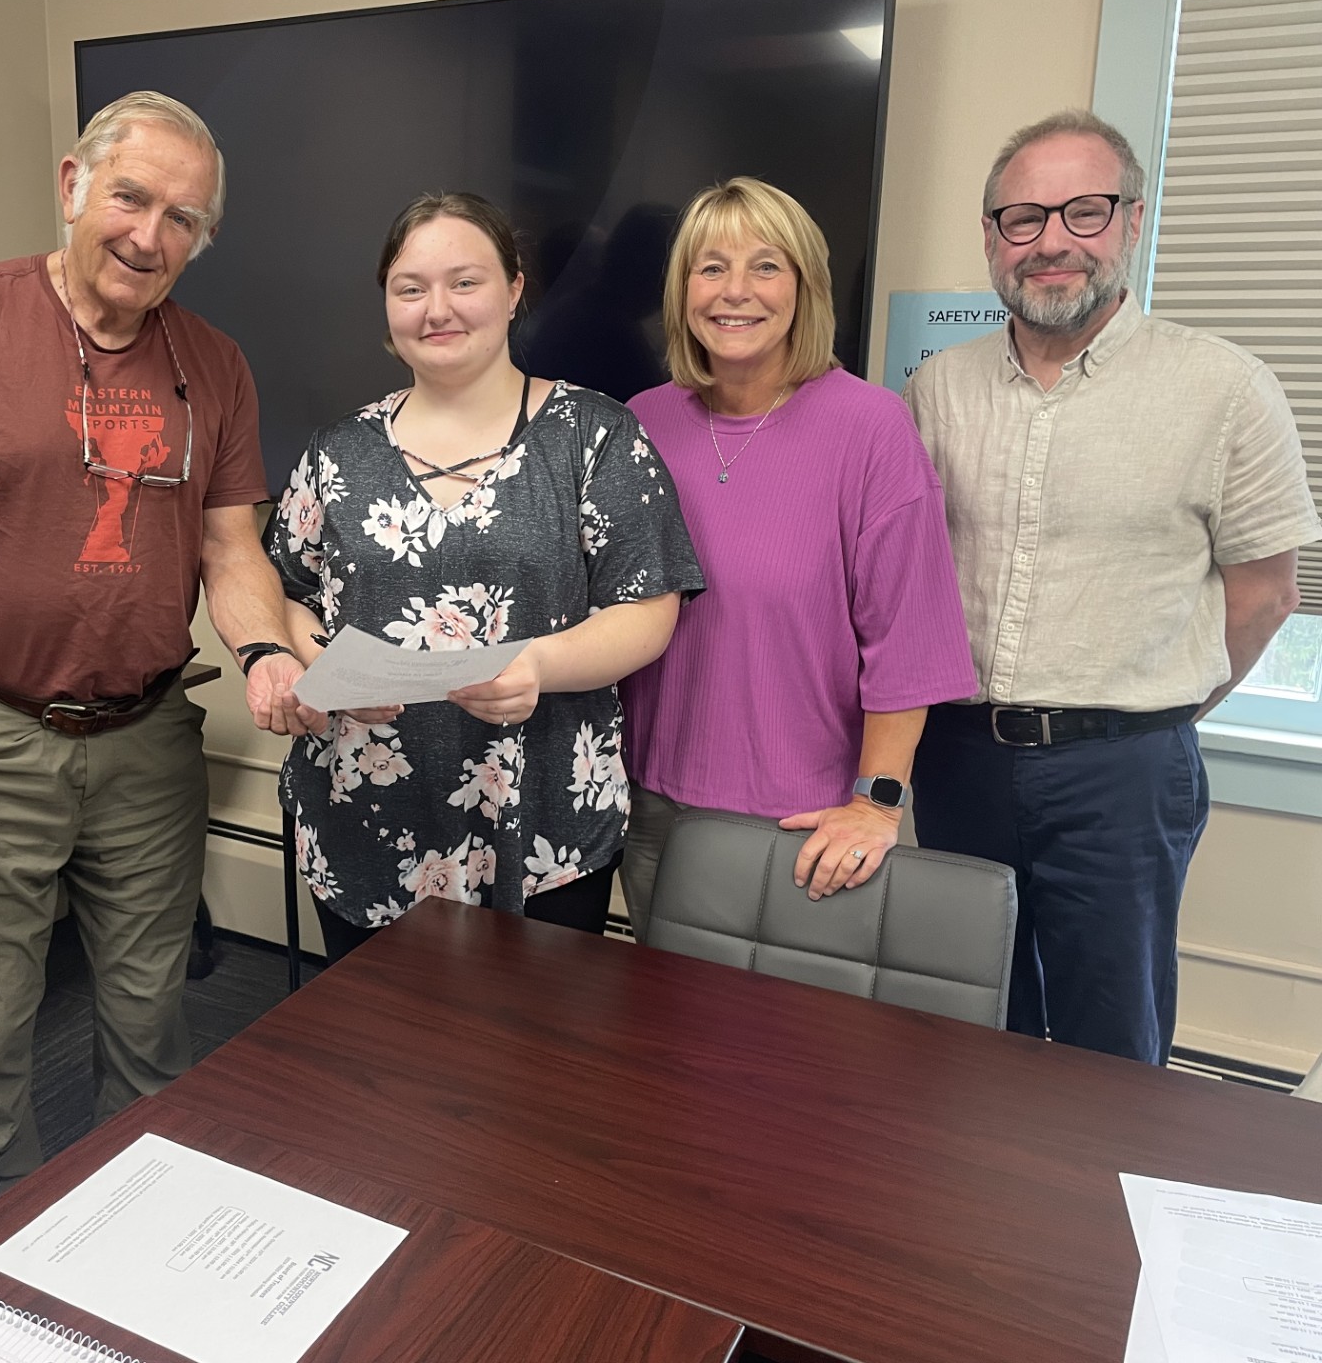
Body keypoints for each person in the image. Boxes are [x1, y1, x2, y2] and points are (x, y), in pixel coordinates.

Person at [0, 91, 309, 1179]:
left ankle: (138, 1239)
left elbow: (232, 547)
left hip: (148, 738)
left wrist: (271, 652)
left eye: (183, 219)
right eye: (131, 198)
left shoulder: (217, 363)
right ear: (71, 186)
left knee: (153, 1021)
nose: (150, 237)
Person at [906, 110, 1320, 1065]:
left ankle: (1100, 1215)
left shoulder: (1225, 388)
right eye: (1023, 217)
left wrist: (1151, 711)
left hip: (1122, 771)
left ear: (1132, 221)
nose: (1052, 241)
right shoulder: (939, 389)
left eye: (1083, 212)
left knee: (1110, 1044)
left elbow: (1265, 597)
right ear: (991, 238)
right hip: (960, 757)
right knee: (966, 1024)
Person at [266, 192, 699, 963]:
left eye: (465, 282)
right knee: (375, 1067)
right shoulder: (336, 454)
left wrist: (536, 664)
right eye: (411, 288)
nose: (438, 309)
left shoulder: (596, 437)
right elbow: (287, 594)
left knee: (537, 1066)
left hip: (544, 821)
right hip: (363, 814)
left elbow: (648, 606)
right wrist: (326, 668)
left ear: (514, 288)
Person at [617, 178, 976, 937]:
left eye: (766, 265)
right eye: (709, 268)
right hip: (650, 810)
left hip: (805, 824)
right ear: (682, 290)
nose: (735, 291)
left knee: (783, 1051)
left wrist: (877, 804)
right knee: (657, 1041)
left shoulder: (871, 428)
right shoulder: (642, 423)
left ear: (806, 286)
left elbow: (909, 642)